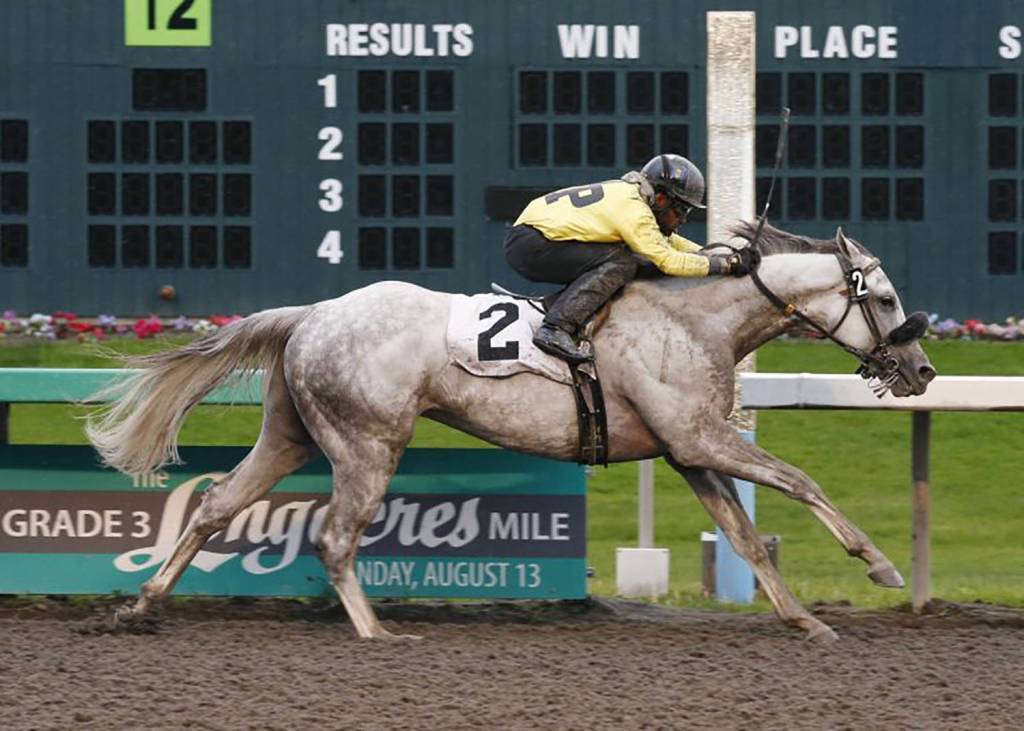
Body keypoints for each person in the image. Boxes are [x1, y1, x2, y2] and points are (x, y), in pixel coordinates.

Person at [503, 153, 759, 363]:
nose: (682, 219)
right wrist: (726, 264)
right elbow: (668, 260)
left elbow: (669, 242)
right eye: (681, 209)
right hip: (531, 244)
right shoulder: (635, 211)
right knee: (624, 261)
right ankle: (556, 328)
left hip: (536, 238)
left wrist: (718, 254)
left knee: (632, 259)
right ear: (661, 199)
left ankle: (562, 307)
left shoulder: (633, 197)